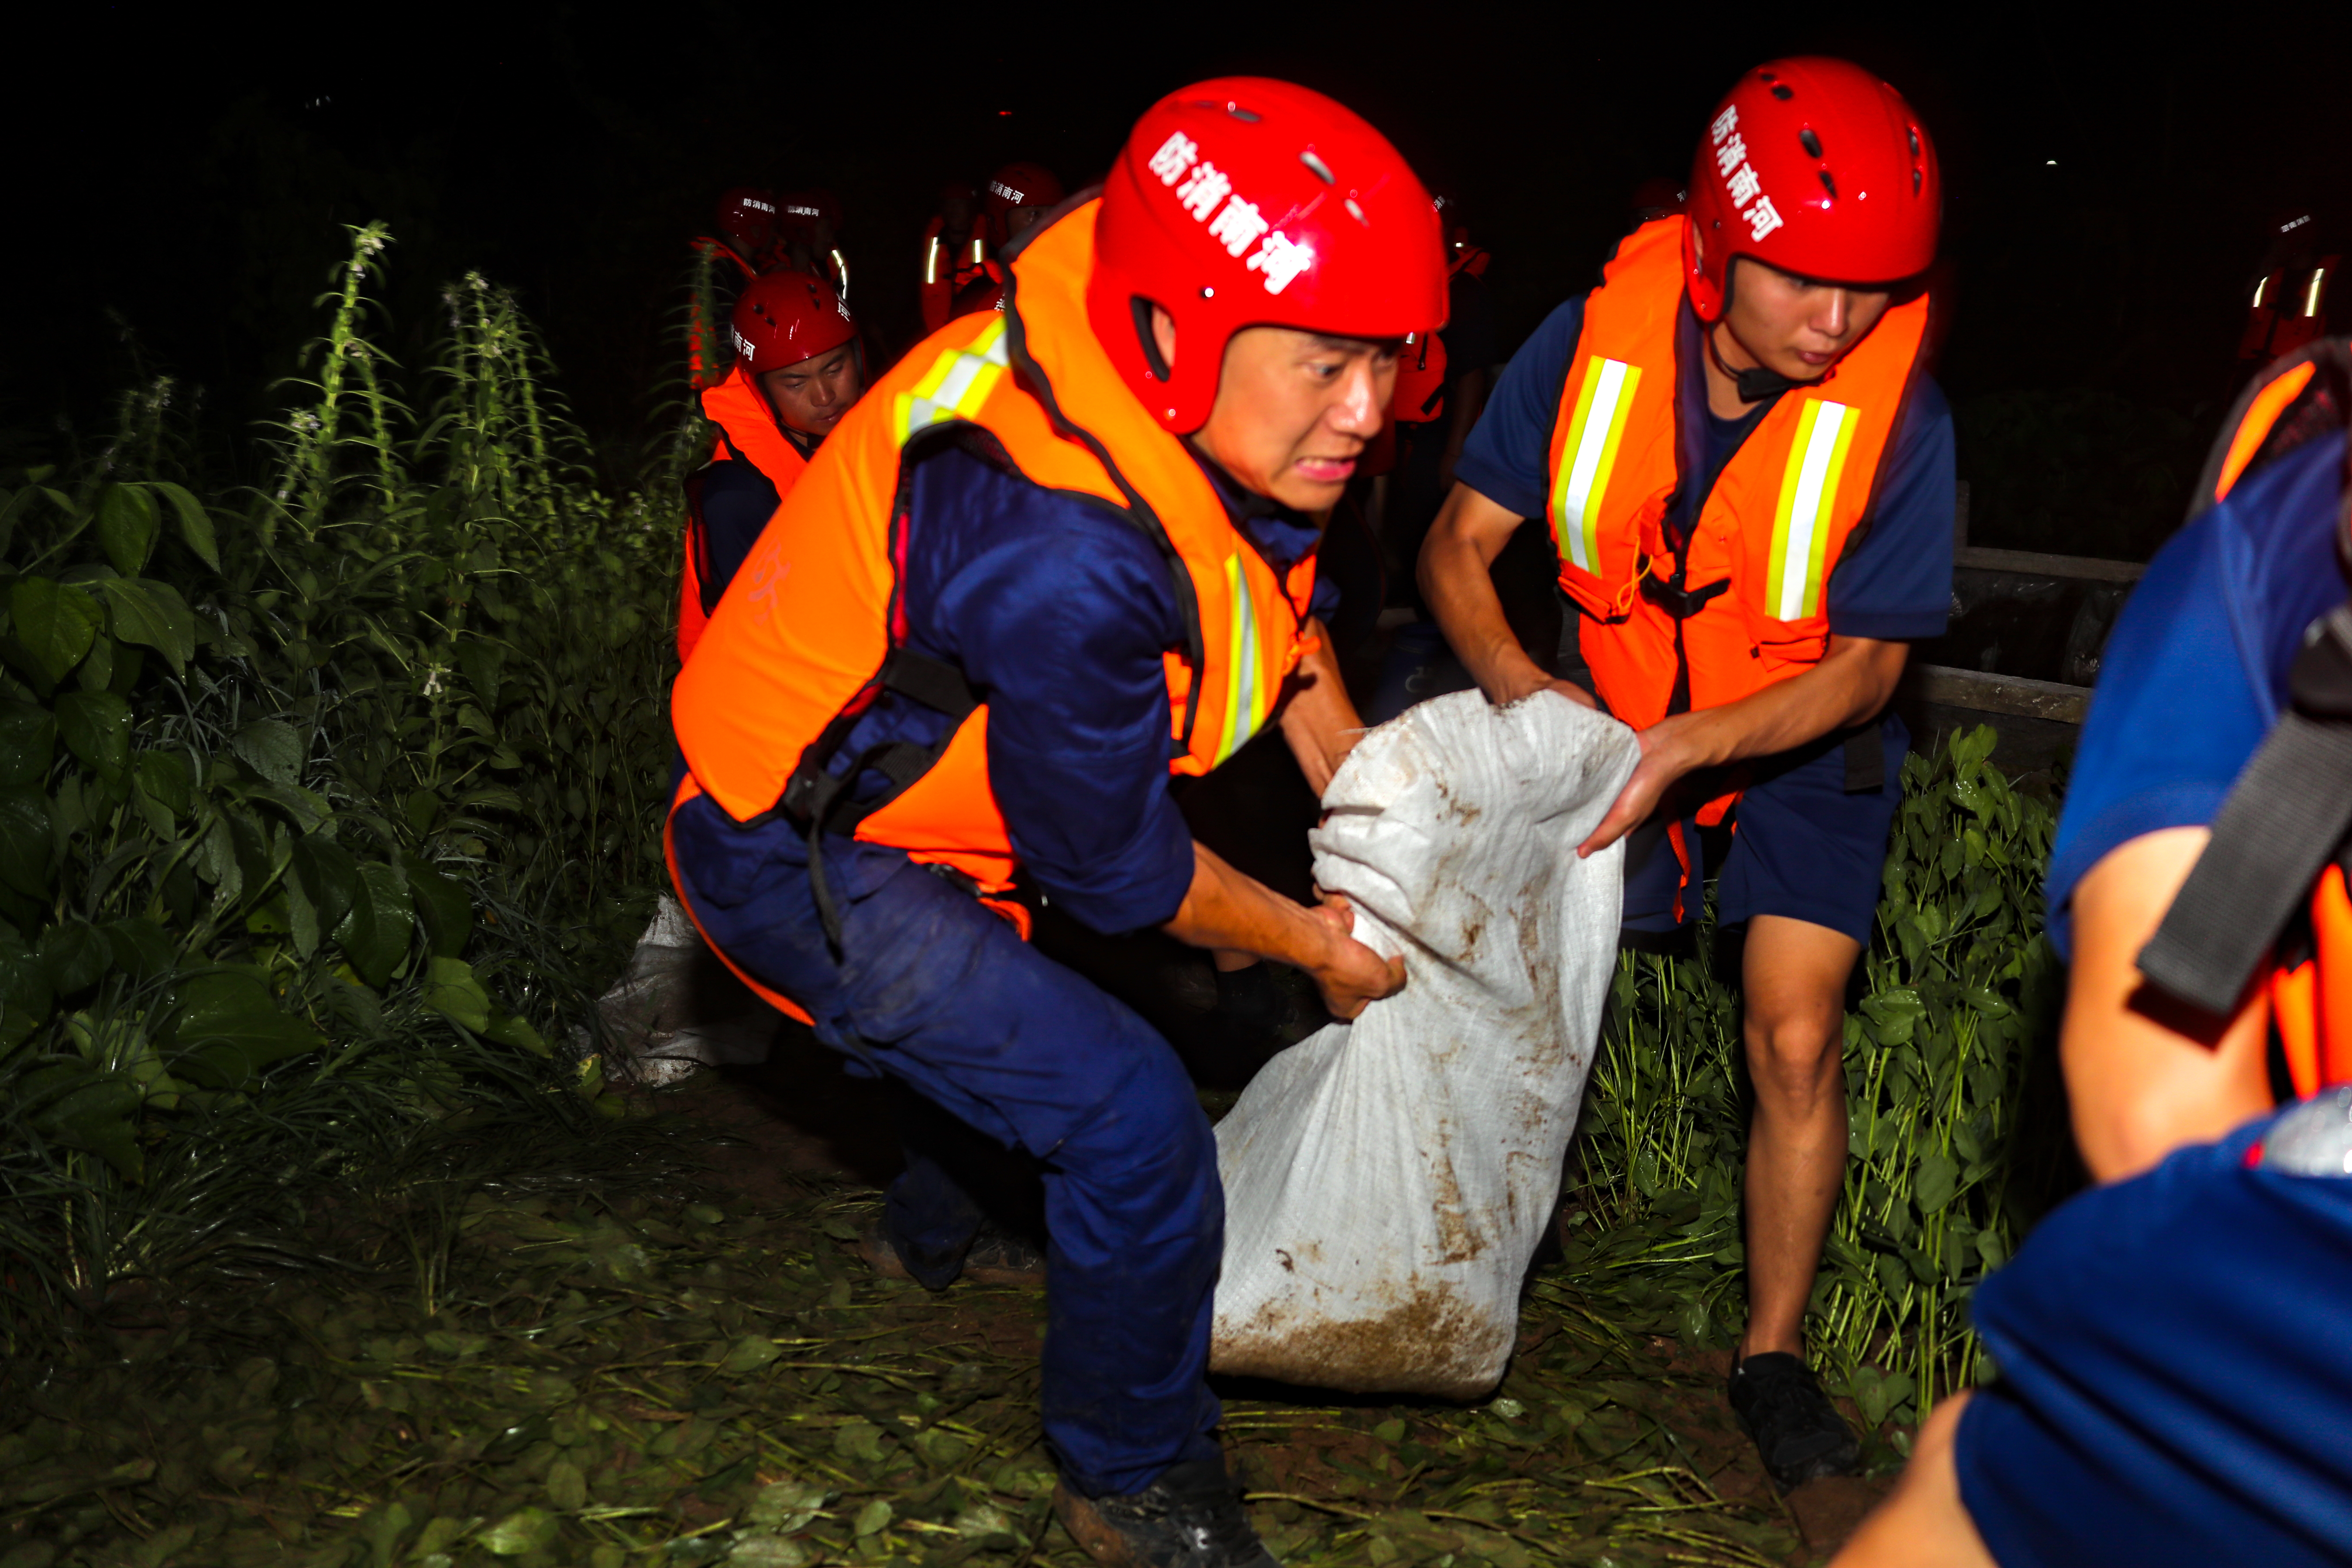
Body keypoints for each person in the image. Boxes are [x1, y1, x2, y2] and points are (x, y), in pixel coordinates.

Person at [665, 78, 1439, 1566]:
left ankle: (926, 1232)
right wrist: (1316, 944)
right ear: (1184, 333)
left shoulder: (1168, 354)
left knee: (1025, 1046)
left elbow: (1271, 607)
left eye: (1386, 361)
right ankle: (1130, 1478)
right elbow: (1124, 869)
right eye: (1328, 364)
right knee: (1136, 1121)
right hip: (797, 848)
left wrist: (1382, 805)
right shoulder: (1055, 538)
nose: (1369, 410)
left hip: (918, 817)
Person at [1418, 56, 1952, 1489]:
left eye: (1872, 291)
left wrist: (1695, 749)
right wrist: (1535, 707)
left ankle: (1770, 1355)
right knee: (1512, 990)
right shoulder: (1588, 339)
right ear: (1714, 248)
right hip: (1612, 707)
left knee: (1792, 1033)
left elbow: (1874, 666)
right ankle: (1474, 1255)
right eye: (1801, 282)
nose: (1838, 324)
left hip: (1798, 735)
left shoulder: (1901, 406)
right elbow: (1456, 548)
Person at [1834, 341, 2352, 1568]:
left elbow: (2149, 1116)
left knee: (1965, 1478)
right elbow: (2154, 1094)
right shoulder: (2264, 563)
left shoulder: (2251, 549)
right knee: (1969, 1467)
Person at [679, 270, 864, 665]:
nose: (824, 396)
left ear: (859, 357)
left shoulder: (871, 431)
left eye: (835, 369)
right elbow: (771, 650)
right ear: (758, 389)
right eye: (795, 384)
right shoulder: (738, 498)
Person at [687, 187, 779, 390]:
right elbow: (727, 344)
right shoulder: (727, 273)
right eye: (771, 227)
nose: (775, 234)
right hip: (716, 392)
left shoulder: (721, 264)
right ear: (755, 229)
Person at [919, 181, 982, 334]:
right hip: (934, 335)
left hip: (976, 334)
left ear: (971, 209)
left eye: (960, 204)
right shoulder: (927, 244)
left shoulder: (991, 244)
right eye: (949, 204)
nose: (953, 210)